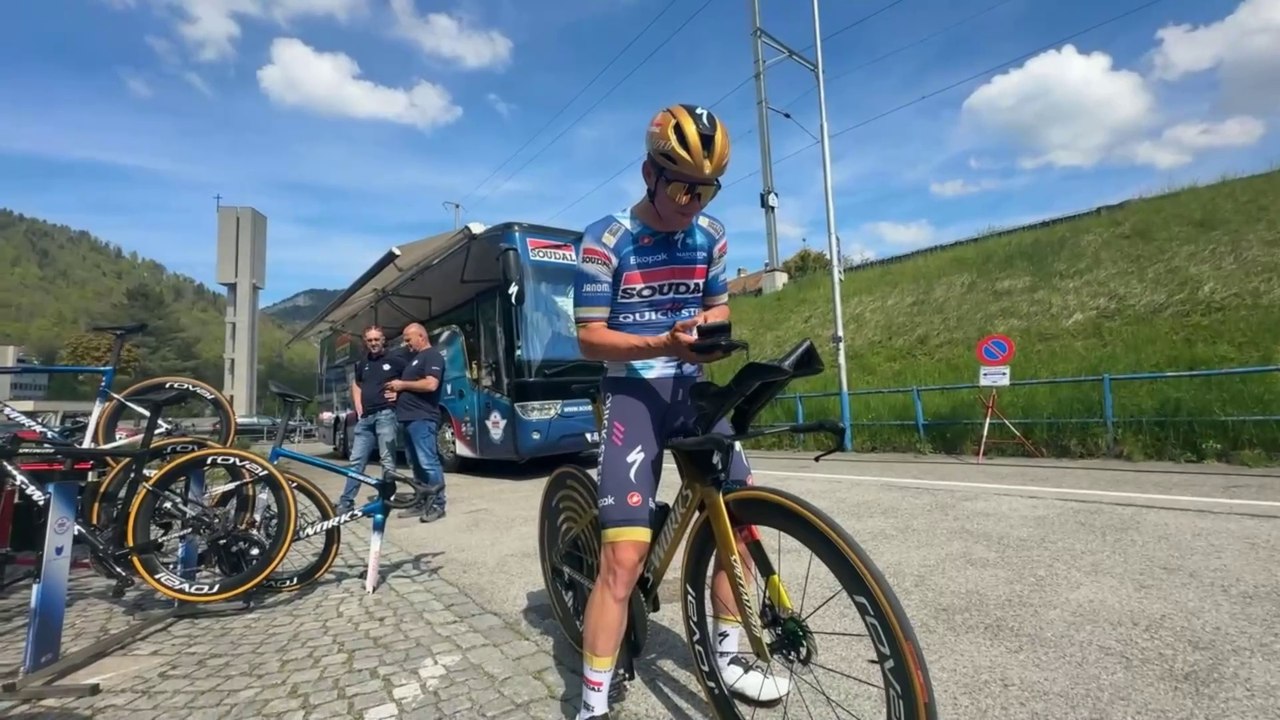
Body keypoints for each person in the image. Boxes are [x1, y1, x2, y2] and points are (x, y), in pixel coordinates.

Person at [570, 104, 790, 720]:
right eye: (681, 188)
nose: (693, 202)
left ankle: (729, 655)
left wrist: (709, 330)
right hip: (633, 395)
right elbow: (589, 339)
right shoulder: (605, 239)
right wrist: (664, 343)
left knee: (738, 525)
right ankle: (592, 701)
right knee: (624, 559)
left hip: (692, 389)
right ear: (649, 174)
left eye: (706, 189)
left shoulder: (710, 235)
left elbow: (718, 307)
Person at [336, 325, 407, 514]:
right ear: (365, 342)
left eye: (376, 339)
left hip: (386, 414)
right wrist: (358, 404)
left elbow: (409, 381)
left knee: (387, 460)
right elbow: (357, 384)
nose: (373, 343)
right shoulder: (362, 363)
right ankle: (346, 502)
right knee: (356, 460)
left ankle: (385, 501)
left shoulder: (396, 360)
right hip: (366, 418)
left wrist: (400, 393)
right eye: (370, 340)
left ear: (383, 340)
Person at [382, 322, 447, 523]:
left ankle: (437, 504)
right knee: (416, 464)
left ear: (421, 336)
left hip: (422, 418)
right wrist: (398, 394)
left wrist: (402, 384)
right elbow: (413, 388)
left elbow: (431, 384)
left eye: (408, 340)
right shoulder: (414, 359)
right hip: (408, 419)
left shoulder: (432, 356)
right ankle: (421, 501)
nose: (406, 344)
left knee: (428, 462)